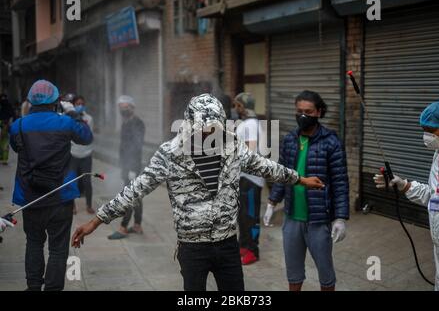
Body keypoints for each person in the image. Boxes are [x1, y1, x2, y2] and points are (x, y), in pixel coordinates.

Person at [72, 93, 324, 291]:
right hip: (192, 248)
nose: (207, 133)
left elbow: (265, 166)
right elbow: (136, 189)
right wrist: (98, 219)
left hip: (227, 244)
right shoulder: (170, 154)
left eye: (212, 128)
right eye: (201, 128)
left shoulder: (231, 146)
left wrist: (300, 179)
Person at [8, 80, 93, 291]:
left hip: (31, 197)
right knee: (58, 247)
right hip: (60, 197)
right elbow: (87, 137)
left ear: (30, 101)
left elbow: (16, 148)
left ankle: (34, 286)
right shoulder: (65, 123)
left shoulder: (18, 125)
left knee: (34, 242)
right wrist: (73, 113)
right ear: (57, 101)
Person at [264, 90, 349, 291]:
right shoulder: (290, 139)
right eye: (299, 111)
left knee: (325, 274)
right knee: (293, 273)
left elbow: (340, 181)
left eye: (308, 111)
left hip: (319, 219)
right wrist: (271, 202)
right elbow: (281, 174)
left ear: (319, 112)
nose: (303, 116)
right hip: (292, 216)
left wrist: (340, 217)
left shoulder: (331, 141)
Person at [374, 101, 439, 291]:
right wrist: (404, 185)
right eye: (424, 130)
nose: (427, 136)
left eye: (432, 130)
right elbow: (435, 196)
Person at [107, 95, 145, 239]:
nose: (122, 110)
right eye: (120, 107)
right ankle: (137, 225)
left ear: (132, 107)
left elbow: (136, 146)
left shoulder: (137, 123)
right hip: (127, 165)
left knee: (129, 195)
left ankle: (123, 227)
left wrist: (131, 168)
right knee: (136, 196)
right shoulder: (126, 123)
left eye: (125, 107)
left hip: (132, 166)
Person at [234, 92, 265, 265]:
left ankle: (253, 251)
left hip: (251, 178)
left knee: (251, 216)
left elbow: (251, 150)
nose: (235, 108)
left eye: (237, 105)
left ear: (244, 106)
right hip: (242, 176)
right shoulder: (246, 123)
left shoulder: (251, 124)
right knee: (242, 216)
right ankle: (243, 246)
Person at [70, 95, 95, 215]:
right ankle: (72, 206)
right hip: (73, 154)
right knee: (72, 181)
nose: (80, 106)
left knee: (87, 181)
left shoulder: (89, 118)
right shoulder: (69, 118)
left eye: (82, 104)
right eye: (77, 104)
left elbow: (88, 135)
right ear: (73, 105)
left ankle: (89, 205)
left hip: (86, 154)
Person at [0, 93, 14, 165]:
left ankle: (1, 157)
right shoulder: (9, 105)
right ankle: (4, 159)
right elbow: (12, 115)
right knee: (5, 141)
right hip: (5, 124)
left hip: (2, 123)